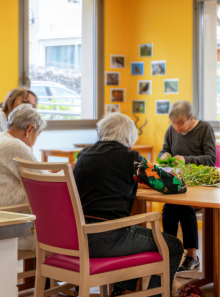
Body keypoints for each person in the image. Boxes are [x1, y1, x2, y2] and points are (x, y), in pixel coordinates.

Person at [73, 112, 187, 297]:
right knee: (173, 245)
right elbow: (175, 186)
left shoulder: (84, 154)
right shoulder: (131, 158)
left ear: (101, 132)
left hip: (77, 237)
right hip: (106, 238)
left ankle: (121, 290)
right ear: (130, 137)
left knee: (133, 230)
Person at [158, 100, 216, 272]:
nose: (176, 127)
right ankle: (171, 255)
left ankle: (191, 256)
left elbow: (211, 159)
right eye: (173, 123)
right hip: (178, 183)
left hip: (200, 184)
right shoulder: (171, 130)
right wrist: (164, 155)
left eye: (180, 122)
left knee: (184, 207)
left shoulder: (204, 129)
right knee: (168, 209)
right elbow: (163, 150)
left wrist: (186, 159)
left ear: (191, 118)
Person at [0, 104, 45, 250]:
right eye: (37, 135)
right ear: (30, 129)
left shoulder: (2, 139)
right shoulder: (16, 145)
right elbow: (43, 182)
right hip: (12, 221)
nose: (35, 141)